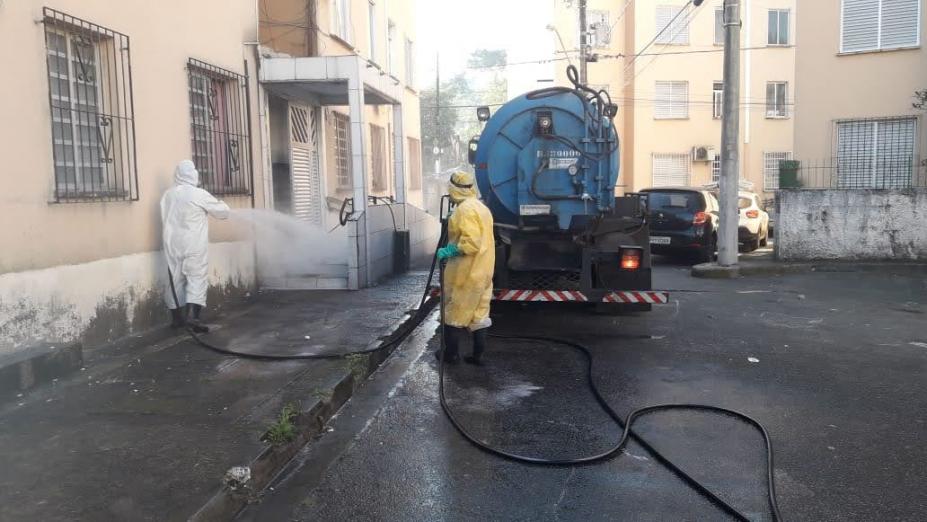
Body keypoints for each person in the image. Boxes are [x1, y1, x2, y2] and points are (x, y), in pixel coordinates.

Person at [161, 160, 230, 333]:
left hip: (172, 245)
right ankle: (193, 318)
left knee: (174, 280)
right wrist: (222, 205)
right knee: (196, 279)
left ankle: (177, 320)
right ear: (193, 174)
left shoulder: (168, 195)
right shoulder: (199, 194)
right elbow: (222, 212)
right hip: (193, 244)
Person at [436, 171, 495, 365]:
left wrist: (449, 251)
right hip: (484, 270)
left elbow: (471, 244)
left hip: (466, 273)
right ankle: (478, 356)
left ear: (453, 189)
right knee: (480, 313)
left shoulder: (464, 211)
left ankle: (451, 354)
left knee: (454, 313)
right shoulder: (481, 207)